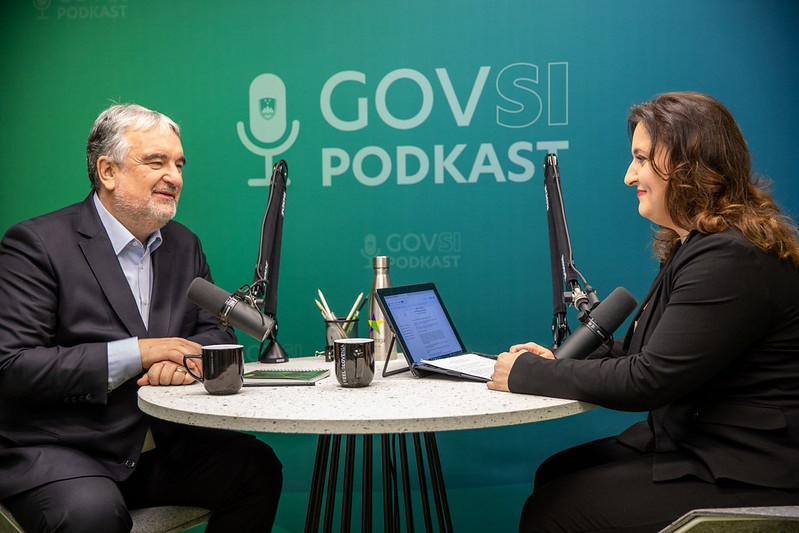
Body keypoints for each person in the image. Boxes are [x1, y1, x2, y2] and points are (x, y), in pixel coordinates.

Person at [488, 91, 799, 532]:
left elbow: (648, 379)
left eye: (641, 158)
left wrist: (527, 375)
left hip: (753, 469)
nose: (628, 175)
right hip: (707, 445)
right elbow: (647, 352)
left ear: (687, 163)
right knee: (557, 471)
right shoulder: (699, 244)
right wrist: (556, 363)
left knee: (553, 510)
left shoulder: (730, 258)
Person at [0, 104, 283, 532]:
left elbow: (211, 333)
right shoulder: (36, 245)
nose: (175, 176)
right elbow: (14, 367)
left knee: (256, 469)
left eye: (179, 164)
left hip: (157, 448)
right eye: (156, 162)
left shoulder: (183, 245)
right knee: (90, 515)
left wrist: (185, 364)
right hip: (62, 452)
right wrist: (140, 354)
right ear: (108, 171)